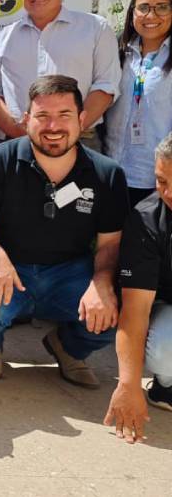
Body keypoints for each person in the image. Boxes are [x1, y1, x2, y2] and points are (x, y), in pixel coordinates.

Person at [0, 75, 129, 389]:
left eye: (64, 116)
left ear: (81, 119)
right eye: (43, 116)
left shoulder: (107, 173)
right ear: (26, 119)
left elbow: (110, 242)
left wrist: (102, 282)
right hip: (6, 266)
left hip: (70, 272)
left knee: (113, 311)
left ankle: (68, 348)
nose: (53, 127)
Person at [0, 0, 120, 151]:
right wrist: (20, 132)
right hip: (17, 142)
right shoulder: (2, 38)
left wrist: (69, 130)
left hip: (80, 141)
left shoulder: (96, 28)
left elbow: (106, 85)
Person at [104, 134, 172, 443]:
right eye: (161, 181)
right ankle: (166, 384)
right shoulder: (145, 219)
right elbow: (135, 309)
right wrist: (128, 385)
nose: (168, 193)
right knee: (164, 350)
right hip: (166, 305)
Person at [103, 0, 172, 207]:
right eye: (143, 7)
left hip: (155, 181)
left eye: (162, 7)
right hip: (110, 171)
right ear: (132, 13)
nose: (151, 15)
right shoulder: (115, 51)